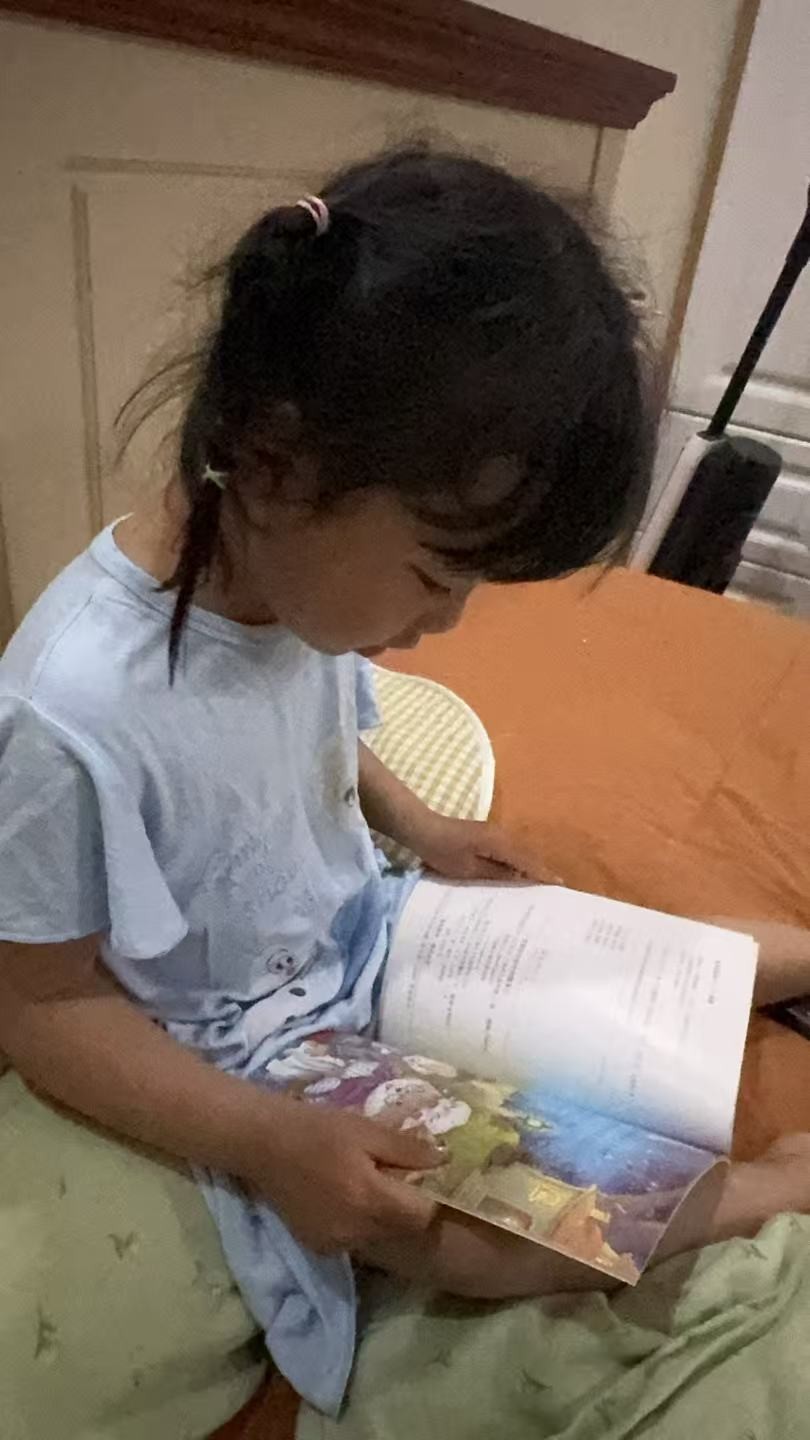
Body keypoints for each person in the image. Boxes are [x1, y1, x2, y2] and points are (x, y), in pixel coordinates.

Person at [2, 144, 810, 1416]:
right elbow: (39, 1005)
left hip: (379, 925)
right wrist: (266, 1142)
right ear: (274, 457)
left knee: (626, 949)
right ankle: (773, 1186)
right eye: (438, 576)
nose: (446, 625)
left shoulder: (283, 587)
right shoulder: (70, 709)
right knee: (486, 1222)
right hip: (271, 1050)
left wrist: (418, 821)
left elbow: (307, 733)